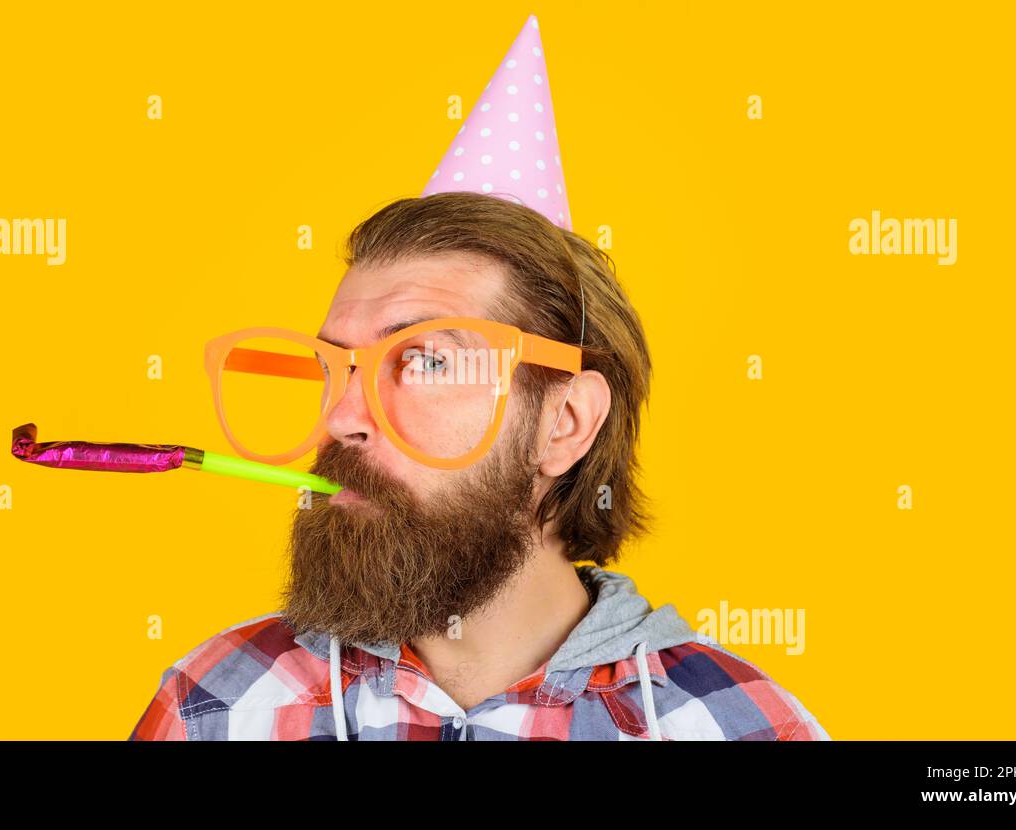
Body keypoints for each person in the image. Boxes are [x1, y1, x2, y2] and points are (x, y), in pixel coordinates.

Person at [130, 15, 829, 742]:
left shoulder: (741, 727)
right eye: (336, 366)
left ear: (565, 423)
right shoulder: (214, 704)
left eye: (427, 359)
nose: (341, 417)